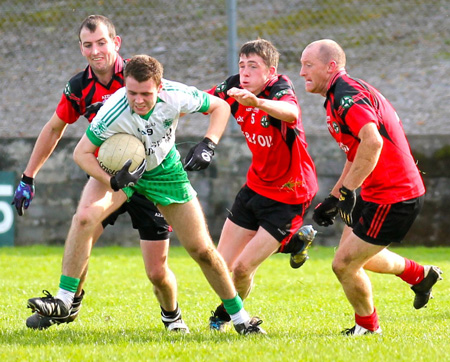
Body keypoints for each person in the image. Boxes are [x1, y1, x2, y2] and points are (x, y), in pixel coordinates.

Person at [28, 54, 265, 335]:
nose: (138, 100)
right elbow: (82, 153)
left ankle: (240, 319)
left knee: (201, 250)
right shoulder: (112, 111)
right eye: (132, 93)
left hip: (164, 170)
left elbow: (221, 106)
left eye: (146, 94)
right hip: (120, 171)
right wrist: (113, 180)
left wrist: (208, 144)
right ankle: (65, 300)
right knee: (84, 217)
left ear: (160, 87)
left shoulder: (176, 95)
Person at [18, 15, 188, 333]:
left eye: (101, 43)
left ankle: (172, 316)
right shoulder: (79, 87)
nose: (95, 51)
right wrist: (28, 176)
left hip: (146, 179)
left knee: (157, 271)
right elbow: (54, 128)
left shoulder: (138, 75)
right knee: (83, 230)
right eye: (88, 45)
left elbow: (169, 109)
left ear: (116, 42)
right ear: (81, 48)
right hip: (105, 177)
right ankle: (66, 303)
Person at [299, 39, 443, 336]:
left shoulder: (346, 95)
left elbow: (373, 141)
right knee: (356, 255)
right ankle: (421, 276)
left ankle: (368, 328)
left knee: (344, 264)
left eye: (308, 65)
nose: (302, 72)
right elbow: (356, 153)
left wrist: (348, 192)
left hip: (394, 195)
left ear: (331, 67)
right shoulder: (338, 94)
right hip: (378, 190)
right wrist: (334, 197)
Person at [205, 39, 318, 331]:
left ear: (270, 70)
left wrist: (256, 103)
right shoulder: (233, 87)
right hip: (255, 187)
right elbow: (200, 100)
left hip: (290, 194)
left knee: (242, 269)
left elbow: (291, 113)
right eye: (242, 65)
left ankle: (226, 316)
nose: (244, 73)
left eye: (253, 66)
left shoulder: (278, 88)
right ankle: (293, 242)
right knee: (220, 267)